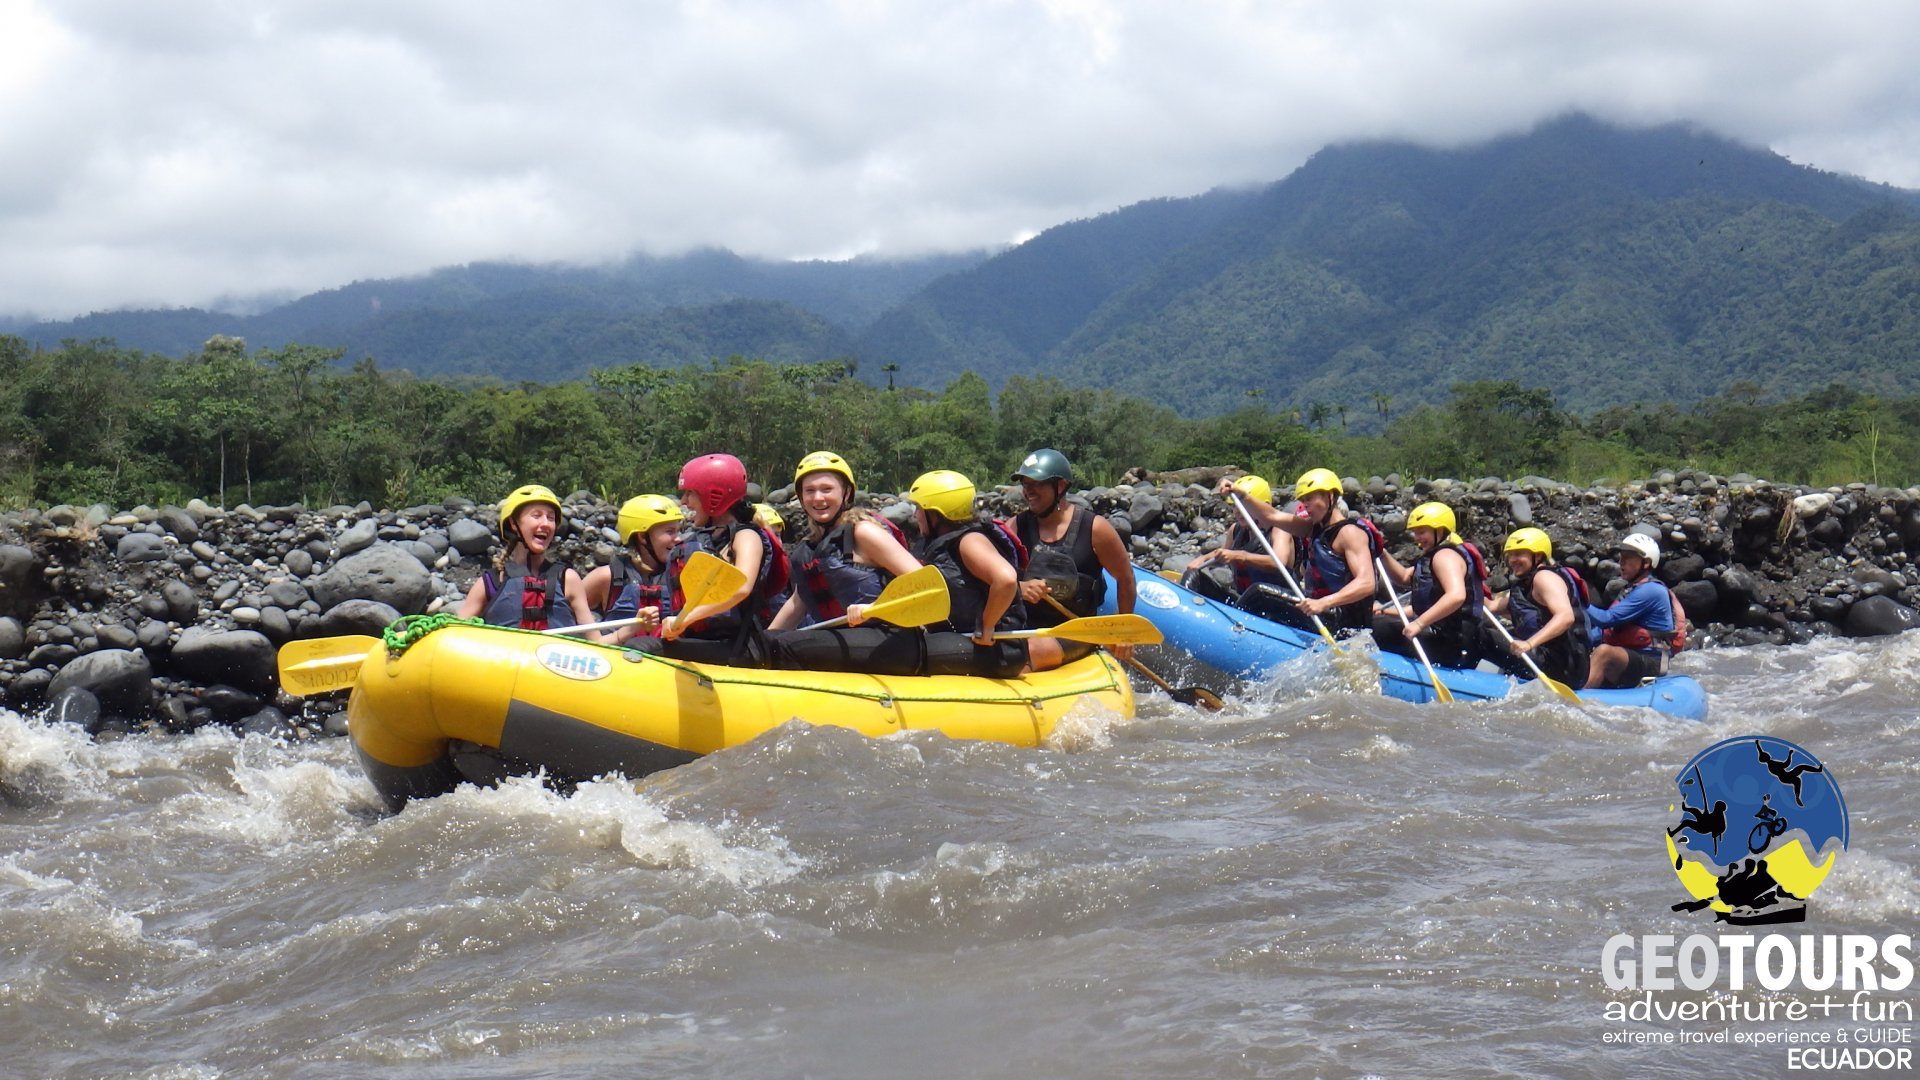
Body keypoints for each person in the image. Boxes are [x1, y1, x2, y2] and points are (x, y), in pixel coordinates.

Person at [766, 452, 927, 675]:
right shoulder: (811, 547)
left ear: (847, 492)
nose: (818, 498)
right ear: (801, 498)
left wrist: (874, 609)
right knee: (764, 644)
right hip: (842, 640)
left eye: (827, 489)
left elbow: (925, 584)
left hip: (888, 639)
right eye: (810, 491)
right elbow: (798, 602)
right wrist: (763, 642)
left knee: (786, 647)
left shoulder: (864, 532)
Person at [909, 469, 1066, 678]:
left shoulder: (969, 541)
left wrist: (987, 625)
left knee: (908, 652)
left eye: (919, 508)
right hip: (961, 639)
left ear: (935, 513)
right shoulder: (938, 544)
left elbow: (1006, 579)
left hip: (995, 647)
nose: (914, 515)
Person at [637, 453, 789, 667]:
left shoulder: (747, 536)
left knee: (642, 649)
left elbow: (741, 588)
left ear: (713, 496)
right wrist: (652, 616)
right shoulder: (701, 540)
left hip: (738, 648)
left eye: (690, 493)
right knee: (638, 644)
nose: (683, 502)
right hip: (703, 642)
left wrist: (686, 618)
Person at [1009, 448, 1137, 662]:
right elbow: (990, 580)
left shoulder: (1095, 529)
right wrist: (1019, 588)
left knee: (1035, 650)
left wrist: (1123, 631)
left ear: (1060, 486)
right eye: (1025, 484)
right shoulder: (1014, 528)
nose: (1028, 491)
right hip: (1025, 631)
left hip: (1077, 633)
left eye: (1036, 484)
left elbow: (1125, 578)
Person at [1221, 468, 1381, 634]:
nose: (1306, 505)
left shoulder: (1350, 533)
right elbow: (1272, 516)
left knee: (1260, 592)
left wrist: (1324, 603)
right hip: (1318, 612)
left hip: (1340, 619)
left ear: (1330, 496)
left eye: (1310, 499)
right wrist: (1240, 494)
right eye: (1303, 500)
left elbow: (1367, 583)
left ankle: (1230, 632)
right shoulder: (1312, 529)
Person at [457, 484, 597, 636]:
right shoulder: (492, 581)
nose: (546, 524)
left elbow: (597, 642)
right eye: (536, 516)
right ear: (513, 524)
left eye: (551, 518)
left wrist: (623, 633)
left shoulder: (567, 579)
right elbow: (455, 633)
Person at [1372, 501, 1489, 668]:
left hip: (1452, 639)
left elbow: (1456, 596)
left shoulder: (1445, 556)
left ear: (1440, 530)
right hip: (1443, 634)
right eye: (1415, 533)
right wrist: (1381, 553)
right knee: (1382, 624)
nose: (1417, 538)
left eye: (1422, 532)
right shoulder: (1433, 557)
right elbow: (1404, 577)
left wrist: (1419, 623)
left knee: (1375, 627)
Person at [1486, 527, 1590, 689]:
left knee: (1484, 636)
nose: (1513, 560)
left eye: (1520, 554)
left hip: (1560, 667)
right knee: (1486, 626)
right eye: (1511, 554)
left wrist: (1529, 644)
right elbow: (1491, 606)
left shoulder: (1544, 578)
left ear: (1538, 556)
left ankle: (1459, 676)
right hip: (1547, 660)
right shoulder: (1525, 586)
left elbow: (1565, 616)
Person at [1585, 533, 1686, 689]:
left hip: (1653, 661)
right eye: (1621, 557)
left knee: (1604, 652)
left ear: (1645, 563)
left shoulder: (1652, 591)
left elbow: (1606, 619)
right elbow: (1605, 632)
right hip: (1630, 656)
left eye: (1628, 557)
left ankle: (1579, 700)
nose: (1621, 562)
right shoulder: (1630, 590)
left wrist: (1578, 600)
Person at [580, 494, 681, 642]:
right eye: (670, 531)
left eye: (678, 531)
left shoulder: (681, 577)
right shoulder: (606, 577)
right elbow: (566, 616)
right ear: (642, 537)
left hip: (663, 661)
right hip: (618, 660)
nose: (678, 538)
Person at [1181, 473, 1289, 609]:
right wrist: (1204, 559)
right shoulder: (1236, 530)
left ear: (1263, 506)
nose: (1237, 512)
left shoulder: (1279, 530)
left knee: (1259, 590)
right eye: (1235, 506)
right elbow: (1225, 555)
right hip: (1244, 605)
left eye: (1243, 506)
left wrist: (1240, 556)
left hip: (1278, 609)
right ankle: (1182, 612)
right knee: (1194, 577)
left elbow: (1279, 562)